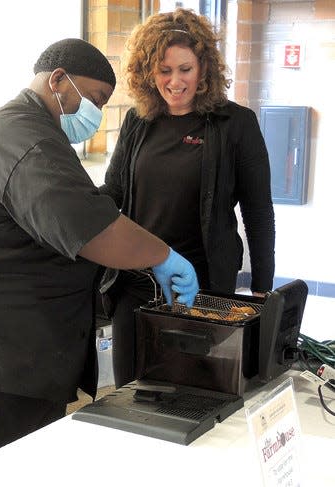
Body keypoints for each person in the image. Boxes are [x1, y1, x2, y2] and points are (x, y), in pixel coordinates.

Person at [0, 38, 198, 482]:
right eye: (95, 99)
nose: (96, 113)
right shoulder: (24, 136)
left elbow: (68, 212)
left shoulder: (36, 134)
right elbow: (88, 227)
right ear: (57, 81)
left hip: (2, 344)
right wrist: (163, 257)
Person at [98, 9, 275, 388]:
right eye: (164, 70)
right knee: (132, 394)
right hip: (137, 288)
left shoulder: (236, 125)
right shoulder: (138, 122)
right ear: (148, 73)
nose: (175, 81)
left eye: (185, 69)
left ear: (204, 69)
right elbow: (111, 195)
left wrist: (263, 296)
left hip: (202, 292)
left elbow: (258, 215)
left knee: (195, 395)